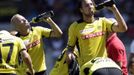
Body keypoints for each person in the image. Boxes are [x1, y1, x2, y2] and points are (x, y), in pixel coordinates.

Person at [66, 0, 127, 74]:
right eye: (87, 5)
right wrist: (69, 55)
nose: (90, 7)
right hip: (86, 68)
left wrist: (114, 9)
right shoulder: (74, 27)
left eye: (91, 4)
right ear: (81, 10)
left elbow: (123, 28)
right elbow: (70, 47)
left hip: (102, 65)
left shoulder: (103, 21)